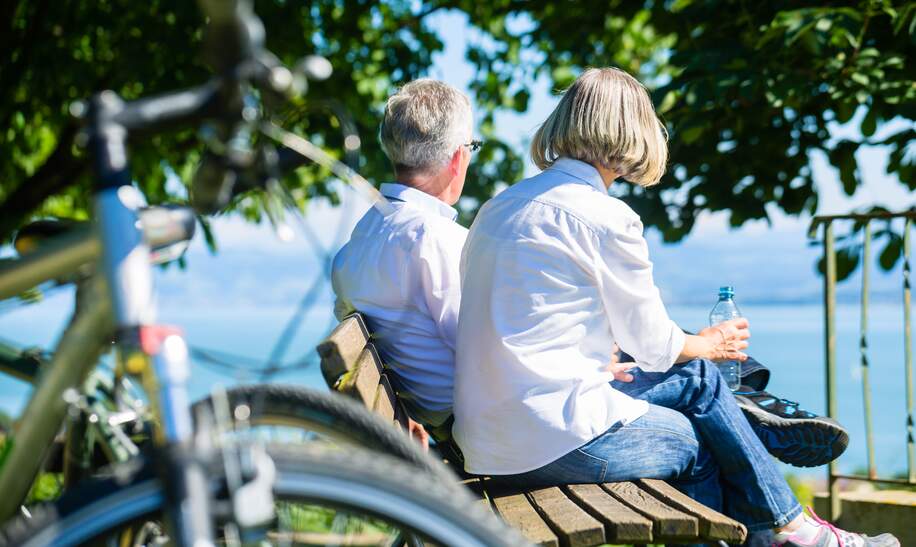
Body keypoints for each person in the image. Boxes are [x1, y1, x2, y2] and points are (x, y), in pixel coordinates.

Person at [452, 68, 898, 547]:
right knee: (699, 432)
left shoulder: (500, 206)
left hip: (488, 440)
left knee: (701, 384)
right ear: (633, 132)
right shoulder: (606, 218)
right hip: (550, 440)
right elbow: (654, 346)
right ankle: (793, 529)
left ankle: (790, 527)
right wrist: (710, 342)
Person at [332, 78, 477, 437]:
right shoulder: (437, 239)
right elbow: (490, 349)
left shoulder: (361, 240)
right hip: (484, 431)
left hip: (445, 424)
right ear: (458, 157)